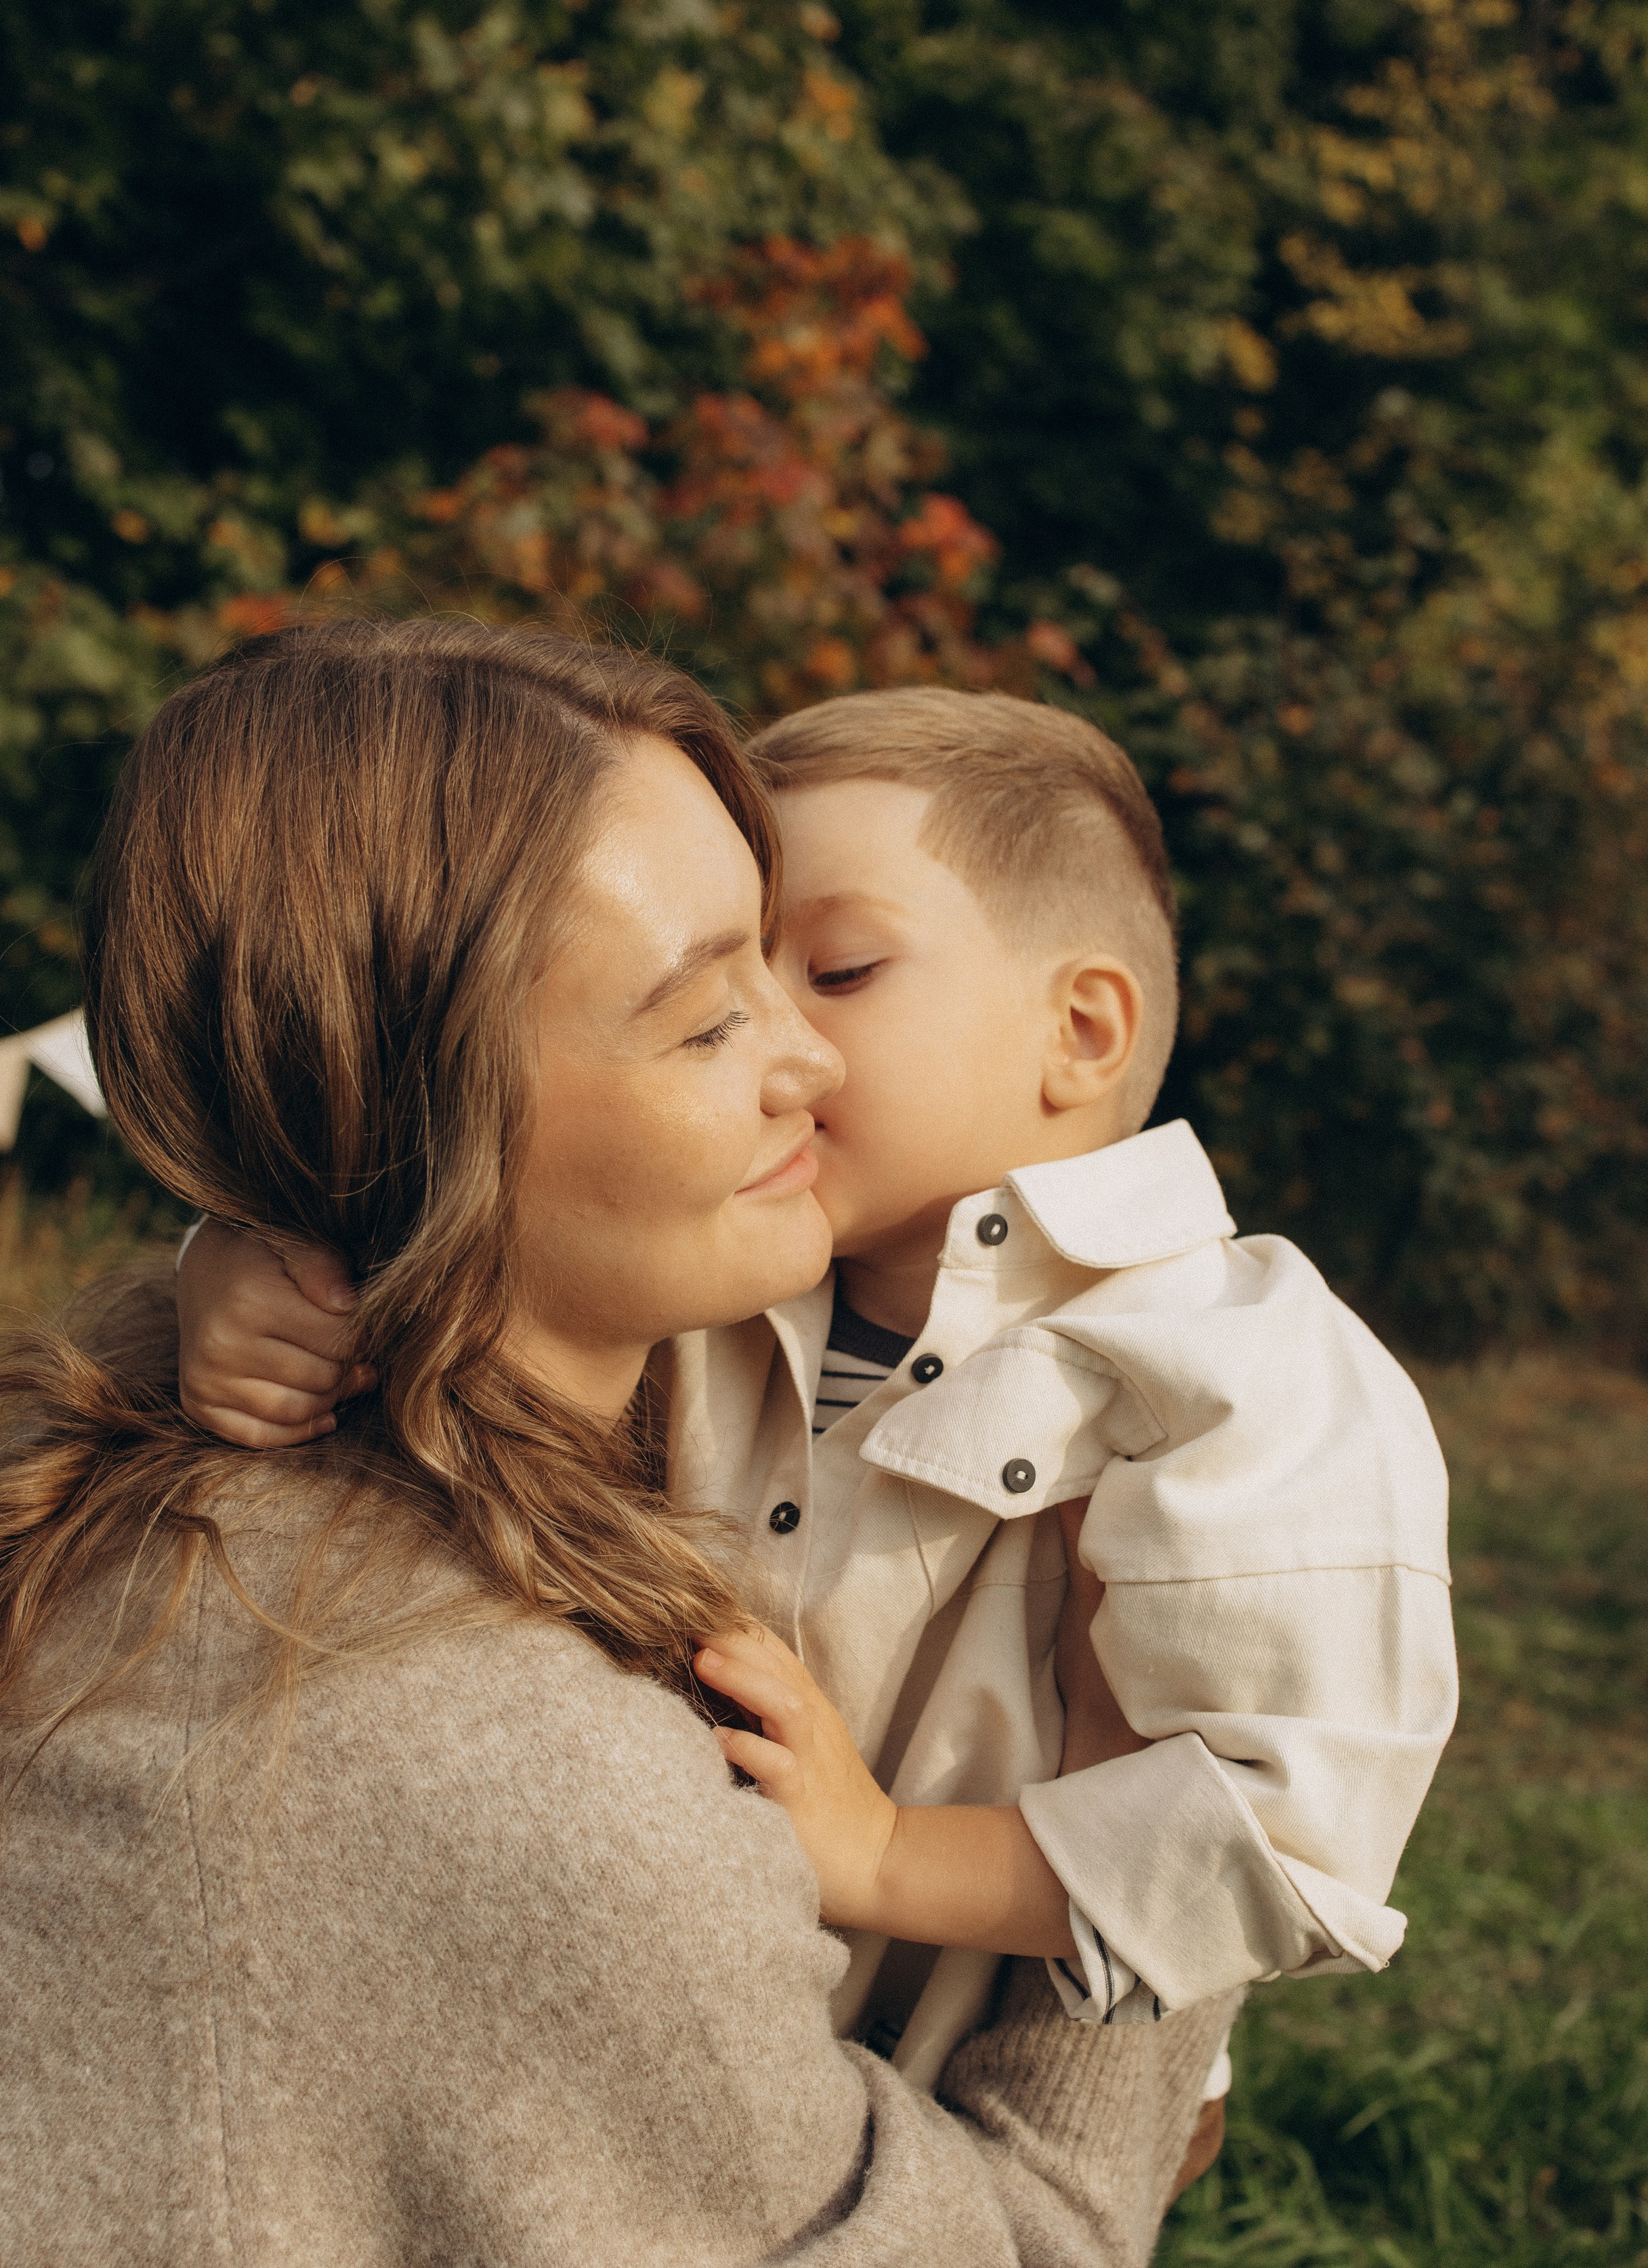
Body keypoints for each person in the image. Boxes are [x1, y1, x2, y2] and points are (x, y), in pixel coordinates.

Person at [0, 624, 1229, 2268]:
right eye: (706, 1017)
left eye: (794, 961)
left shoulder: (126, 1455)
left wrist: (221, 1259)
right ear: (429, 1123)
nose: (814, 1058)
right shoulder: (510, 1759)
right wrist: (1152, 1848)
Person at [179, 687, 1456, 2118]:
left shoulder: (1234, 1372)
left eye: (837, 969)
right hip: (680, 2042)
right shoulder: (713, 1266)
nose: (773, 1035)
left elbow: (1283, 1843)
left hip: (969, 2072)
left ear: (1081, 1032)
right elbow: (471, 1263)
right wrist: (255, 1274)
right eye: (722, 990)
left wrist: (889, 1854)